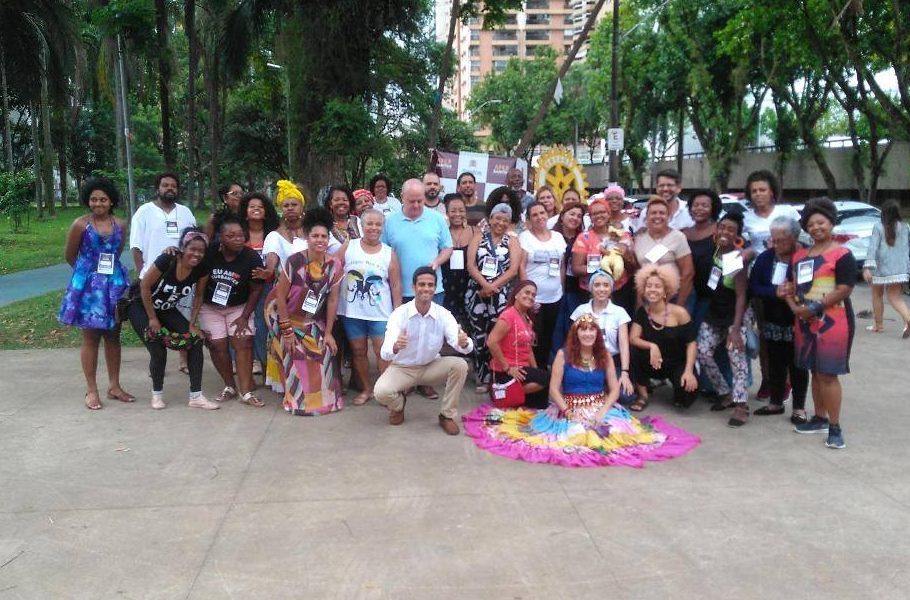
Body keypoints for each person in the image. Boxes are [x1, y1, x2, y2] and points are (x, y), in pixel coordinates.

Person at [461, 315, 701, 468]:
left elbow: (614, 388)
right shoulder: (563, 355)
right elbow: (554, 389)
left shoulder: (604, 355)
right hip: (569, 408)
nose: (587, 333)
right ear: (576, 334)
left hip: (600, 406)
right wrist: (566, 411)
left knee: (615, 435)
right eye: (582, 330)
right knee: (572, 436)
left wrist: (604, 411)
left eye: (591, 330)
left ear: (597, 334)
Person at [778, 197, 856, 449]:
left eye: (821, 222)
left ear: (831, 223)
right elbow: (793, 286)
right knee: (814, 371)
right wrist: (791, 300)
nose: (816, 228)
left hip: (834, 321)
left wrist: (816, 306)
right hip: (804, 321)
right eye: (811, 224)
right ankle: (820, 417)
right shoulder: (800, 255)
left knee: (828, 374)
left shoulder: (842, 253)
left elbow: (845, 288)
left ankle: (835, 427)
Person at [58, 177, 133, 410]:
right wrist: (88, 276)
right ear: (88, 201)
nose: (98, 203)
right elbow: (70, 255)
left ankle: (114, 386)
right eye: (93, 199)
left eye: (103, 199)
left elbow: (116, 252)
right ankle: (91, 390)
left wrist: (107, 277)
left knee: (113, 334)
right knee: (90, 337)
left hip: (114, 284)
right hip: (89, 288)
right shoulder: (80, 224)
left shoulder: (120, 224)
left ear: (111, 201)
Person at [374, 267, 474, 435]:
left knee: (460, 365)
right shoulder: (400, 314)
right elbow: (385, 353)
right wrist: (396, 346)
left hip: (430, 366)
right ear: (413, 287)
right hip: (403, 368)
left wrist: (463, 343)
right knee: (381, 392)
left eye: (430, 285)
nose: (426, 288)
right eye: (421, 284)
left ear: (435, 288)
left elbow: (459, 342)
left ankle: (446, 416)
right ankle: (398, 406)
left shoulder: (443, 314)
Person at [127, 228, 215, 410]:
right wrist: (152, 318)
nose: (196, 254)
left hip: (166, 308)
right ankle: (157, 395)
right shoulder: (168, 259)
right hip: (141, 306)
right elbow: (144, 286)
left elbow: (198, 296)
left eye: (201, 251)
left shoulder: (202, 268)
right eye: (193, 249)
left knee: (196, 340)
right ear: (183, 247)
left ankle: (196, 396)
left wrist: (191, 324)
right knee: (157, 346)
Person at [381, 179, 453, 400]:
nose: (416, 205)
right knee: (404, 338)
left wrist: (436, 262)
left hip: (432, 288)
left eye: (420, 201)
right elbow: (384, 251)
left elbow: (448, 247)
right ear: (402, 198)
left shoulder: (436, 219)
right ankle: (405, 381)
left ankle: (426, 382)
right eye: (412, 201)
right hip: (401, 290)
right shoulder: (390, 221)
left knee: (431, 338)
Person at [271, 207, 344, 415]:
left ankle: (326, 400)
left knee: (325, 351)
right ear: (306, 237)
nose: (319, 240)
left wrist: (328, 333)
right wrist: (287, 332)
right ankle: (297, 400)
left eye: (323, 236)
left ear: (328, 239)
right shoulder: (293, 262)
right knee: (296, 353)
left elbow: (332, 300)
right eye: (315, 236)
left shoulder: (335, 265)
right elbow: (280, 297)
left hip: (314, 323)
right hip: (289, 321)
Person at [130, 172, 198, 375]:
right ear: (157, 188)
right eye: (165, 185)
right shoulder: (144, 212)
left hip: (183, 277)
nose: (169, 189)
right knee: (155, 320)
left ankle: (184, 359)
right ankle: (157, 359)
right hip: (154, 278)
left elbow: (194, 241)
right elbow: (136, 246)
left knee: (184, 319)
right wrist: (142, 271)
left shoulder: (185, 212)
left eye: (173, 186)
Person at [337, 209, 403, 405]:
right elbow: (333, 271)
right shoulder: (349, 247)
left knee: (383, 352)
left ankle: (385, 391)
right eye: (369, 224)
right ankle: (366, 389)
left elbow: (396, 285)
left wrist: (398, 314)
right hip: (352, 312)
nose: (374, 228)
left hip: (380, 313)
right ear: (362, 226)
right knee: (358, 351)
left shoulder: (389, 253)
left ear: (382, 227)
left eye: (378, 224)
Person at [749, 216, 810, 424]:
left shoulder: (805, 257)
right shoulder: (766, 258)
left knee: (798, 365)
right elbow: (754, 286)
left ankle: (799, 408)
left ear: (794, 238)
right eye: (773, 239)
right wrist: (774, 292)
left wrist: (796, 290)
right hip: (772, 320)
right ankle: (775, 402)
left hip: (798, 320)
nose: (775, 244)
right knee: (775, 363)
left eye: (780, 240)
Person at [199, 217, 265, 407]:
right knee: (217, 345)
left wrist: (245, 317)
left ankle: (246, 391)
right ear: (221, 238)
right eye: (231, 235)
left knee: (243, 342)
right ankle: (229, 385)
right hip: (210, 307)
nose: (238, 239)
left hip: (239, 307)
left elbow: (256, 288)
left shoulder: (251, 256)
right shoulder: (210, 252)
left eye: (240, 235)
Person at [695, 212, 751, 427]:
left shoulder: (738, 258)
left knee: (736, 358)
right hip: (714, 312)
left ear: (738, 234)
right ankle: (725, 392)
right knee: (703, 352)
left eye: (731, 229)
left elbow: (741, 296)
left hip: (734, 315)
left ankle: (741, 405)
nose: (725, 232)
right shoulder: (714, 251)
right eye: (723, 227)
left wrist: (736, 328)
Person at [466, 203, 521, 392]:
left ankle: (496, 376)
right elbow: (471, 265)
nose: (500, 222)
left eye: (505, 220)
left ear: (509, 223)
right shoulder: (478, 237)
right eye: (497, 218)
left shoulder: (512, 241)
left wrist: (493, 286)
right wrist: (484, 285)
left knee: (497, 336)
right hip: (476, 293)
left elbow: (513, 269)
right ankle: (481, 377)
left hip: (501, 296)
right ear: (490, 219)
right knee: (479, 334)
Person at [629, 264, 699, 411]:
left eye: (657, 286)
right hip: (653, 362)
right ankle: (643, 395)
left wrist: (688, 370)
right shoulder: (642, 312)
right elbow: (633, 338)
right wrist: (652, 346)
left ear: (666, 290)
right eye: (649, 286)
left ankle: (678, 386)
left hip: (677, 363)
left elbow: (691, 343)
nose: (652, 290)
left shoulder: (680, 313)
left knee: (686, 399)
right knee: (633, 352)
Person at [570, 271, 635, 406]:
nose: (601, 289)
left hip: (610, 361)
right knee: (579, 393)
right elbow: (573, 341)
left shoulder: (619, 312)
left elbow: (624, 345)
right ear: (591, 288)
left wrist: (625, 373)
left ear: (611, 288)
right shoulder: (581, 310)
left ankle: (604, 388)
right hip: (586, 361)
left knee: (625, 397)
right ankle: (601, 389)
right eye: (597, 285)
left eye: (606, 285)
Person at [486, 280, 551, 408]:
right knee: (548, 377)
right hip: (506, 370)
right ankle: (506, 392)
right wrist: (508, 368)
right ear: (516, 294)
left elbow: (529, 349)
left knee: (541, 402)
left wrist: (535, 371)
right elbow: (491, 342)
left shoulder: (527, 318)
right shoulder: (508, 316)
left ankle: (513, 395)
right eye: (527, 292)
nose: (530, 296)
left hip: (521, 369)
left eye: (533, 295)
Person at [519, 201, 566, 366]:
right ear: (529, 219)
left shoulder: (558, 237)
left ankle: (544, 375)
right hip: (534, 299)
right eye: (535, 215)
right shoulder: (525, 237)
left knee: (549, 337)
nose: (539, 217)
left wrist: (562, 289)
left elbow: (562, 266)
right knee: (534, 337)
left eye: (542, 213)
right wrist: (528, 296)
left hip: (555, 297)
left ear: (547, 214)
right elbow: (521, 266)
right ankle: (534, 372)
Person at [239, 192, 281, 376]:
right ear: (245, 212)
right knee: (242, 323)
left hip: (268, 287)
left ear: (266, 212)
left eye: (260, 206)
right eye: (252, 206)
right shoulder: (238, 233)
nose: (256, 209)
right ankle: (245, 362)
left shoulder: (274, 234)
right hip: (242, 287)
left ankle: (266, 364)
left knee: (263, 324)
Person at [572, 196, 636, 316]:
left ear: (608, 214)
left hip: (619, 291)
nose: (598, 216)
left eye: (602, 212)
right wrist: (601, 268)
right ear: (590, 217)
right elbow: (576, 268)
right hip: (592, 292)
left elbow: (633, 267)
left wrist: (625, 255)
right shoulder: (584, 237)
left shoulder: (622, 235)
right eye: (594, 214)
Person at [633, 196, 695, 307]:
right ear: (646, 217)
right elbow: (638, 271)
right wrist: (639, 303)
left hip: (672, 299)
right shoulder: (639, 239)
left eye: (662, 213)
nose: (657, 216)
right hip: (648, 299)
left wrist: (678, 305)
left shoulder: (678, 237)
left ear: (669, 216)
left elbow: (687, 273)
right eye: (653, 213)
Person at [863, 199, 910, 336]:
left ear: (883, 212)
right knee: (895, 297)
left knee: (877, 295)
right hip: (899, 268)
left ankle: (879, 326)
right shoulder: (905, 227)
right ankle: (907, 320)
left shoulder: (878, 227)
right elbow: (906, 249)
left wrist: (867, 267)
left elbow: (873, 248)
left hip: (879, 268)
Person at [551, 203, 588, 359]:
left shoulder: (584, 238)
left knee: (573, 329)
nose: (575, 218)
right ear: (562, 215)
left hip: (577, 290)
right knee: (556, 330)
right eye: (572, 214)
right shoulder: (552, 236)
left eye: (579, 216)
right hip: (555, 289)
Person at [440, 193, 477, 330]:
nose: (457, 214)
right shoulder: (442, 232)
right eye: (453, 211)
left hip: (468, 285)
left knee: (468, 326)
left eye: (461, 210)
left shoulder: (475, 232)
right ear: (447, 212)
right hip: (446, 285)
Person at [742, 170, 800, 251]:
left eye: (762, 190)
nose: (758, 194)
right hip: (759, 262)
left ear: (771, 192)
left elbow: (803, 237)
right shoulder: (744, 218)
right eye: (754, 191)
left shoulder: (788, 211)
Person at [324, 185, 361, 255]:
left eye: (345, 200)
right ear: (330, 204)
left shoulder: (359, 221)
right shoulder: (324, 225)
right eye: (336, 200)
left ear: (350, 203)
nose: (341, 202)